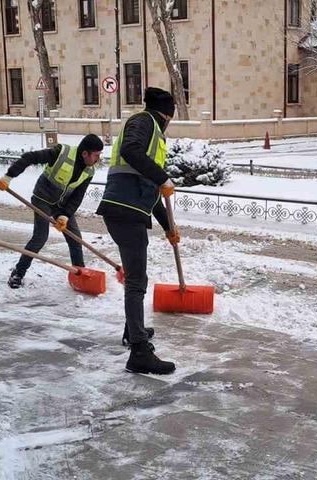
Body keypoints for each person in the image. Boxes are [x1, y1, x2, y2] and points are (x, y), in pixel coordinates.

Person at [97, 87, 180, 375]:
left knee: (135, 278)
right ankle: (139, 352)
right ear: (166, 115)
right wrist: (162, 176)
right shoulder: (144, 122)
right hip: (125, 210)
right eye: (170, 118)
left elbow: (150, 189)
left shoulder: (152, 130)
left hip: (128, 210)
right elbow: (130, 151)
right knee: (136, 281)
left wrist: (169, 228)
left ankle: (133, 330)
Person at [0, 134, 104, 288]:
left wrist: (65, 215)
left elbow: (77, 196)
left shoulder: (89, 171)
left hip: (62, 205)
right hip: (43, 199)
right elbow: (30, 158)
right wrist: (9, 176)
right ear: (85, 153)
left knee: (75, 239)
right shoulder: (61, 153)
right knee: (40, 237)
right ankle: (18, 273)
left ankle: (79, 276)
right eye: (96, 155)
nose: (98, 160)